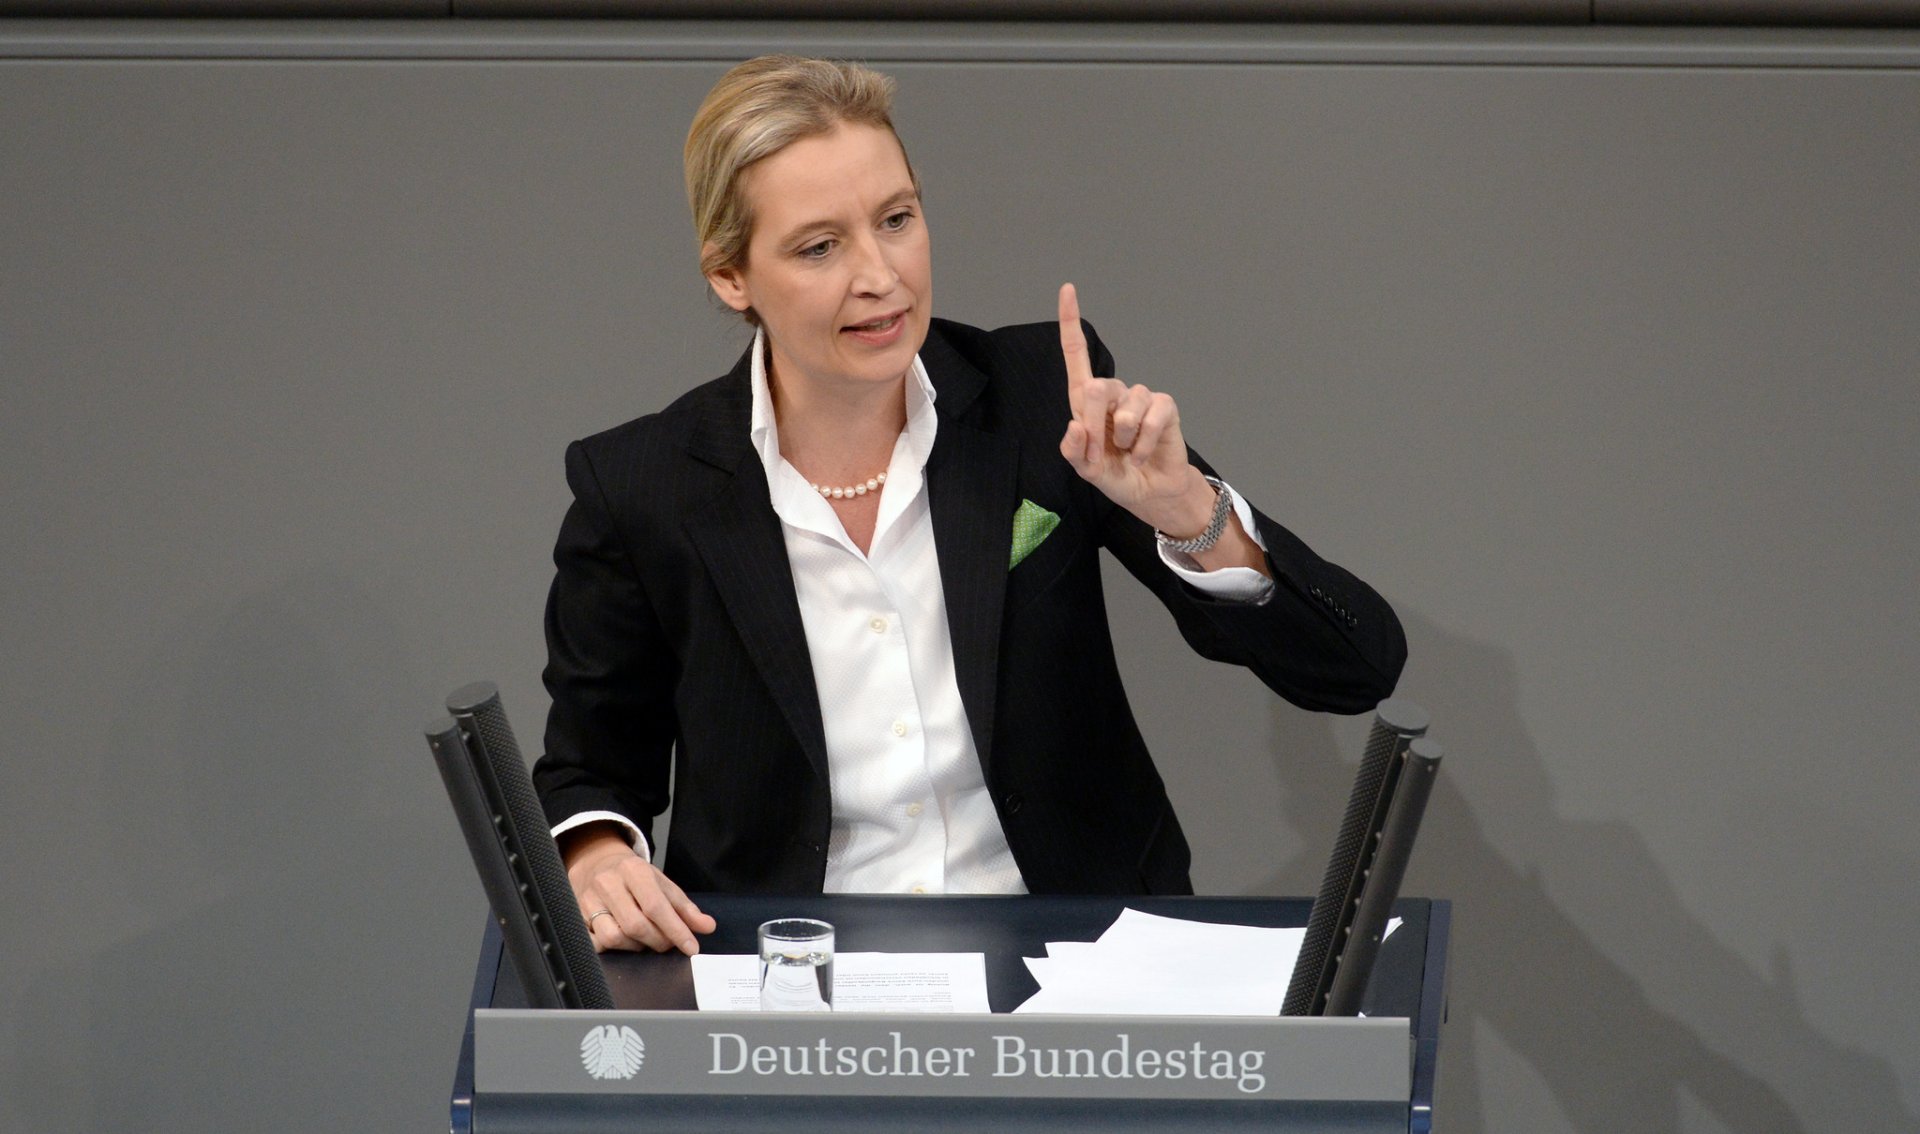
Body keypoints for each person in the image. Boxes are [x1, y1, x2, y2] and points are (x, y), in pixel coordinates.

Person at [531, 55, 1406, 956]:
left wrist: (1187, 509)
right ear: (730, 276)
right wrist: (596, 858)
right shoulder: (643, 486)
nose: (881, 275)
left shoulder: (1039, 402)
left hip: (1072, 960)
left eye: (897, 219)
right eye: (820, 247)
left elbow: (1356, 668)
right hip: (787, 972)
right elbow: (588, 773)